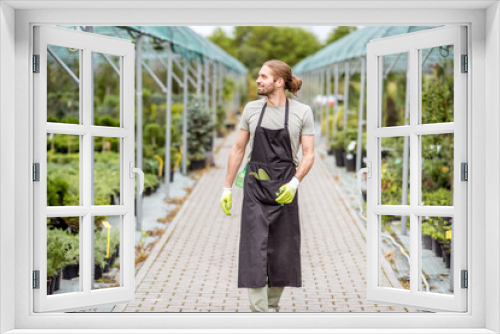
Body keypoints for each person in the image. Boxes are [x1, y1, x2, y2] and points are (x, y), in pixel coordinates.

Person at [220, 60, 315, 312]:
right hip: (255, 188)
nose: (258, 80)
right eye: (258, 76)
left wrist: (295, 183)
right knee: (253, 245)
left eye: (263, 76)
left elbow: (308, 154)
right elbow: (238, 148)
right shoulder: (252, 109)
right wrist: (227, 188)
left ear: (279, 82)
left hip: (285, 187)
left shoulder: (302, 112)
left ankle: (272, 305)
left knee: (282, 247)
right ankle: (260, 311)